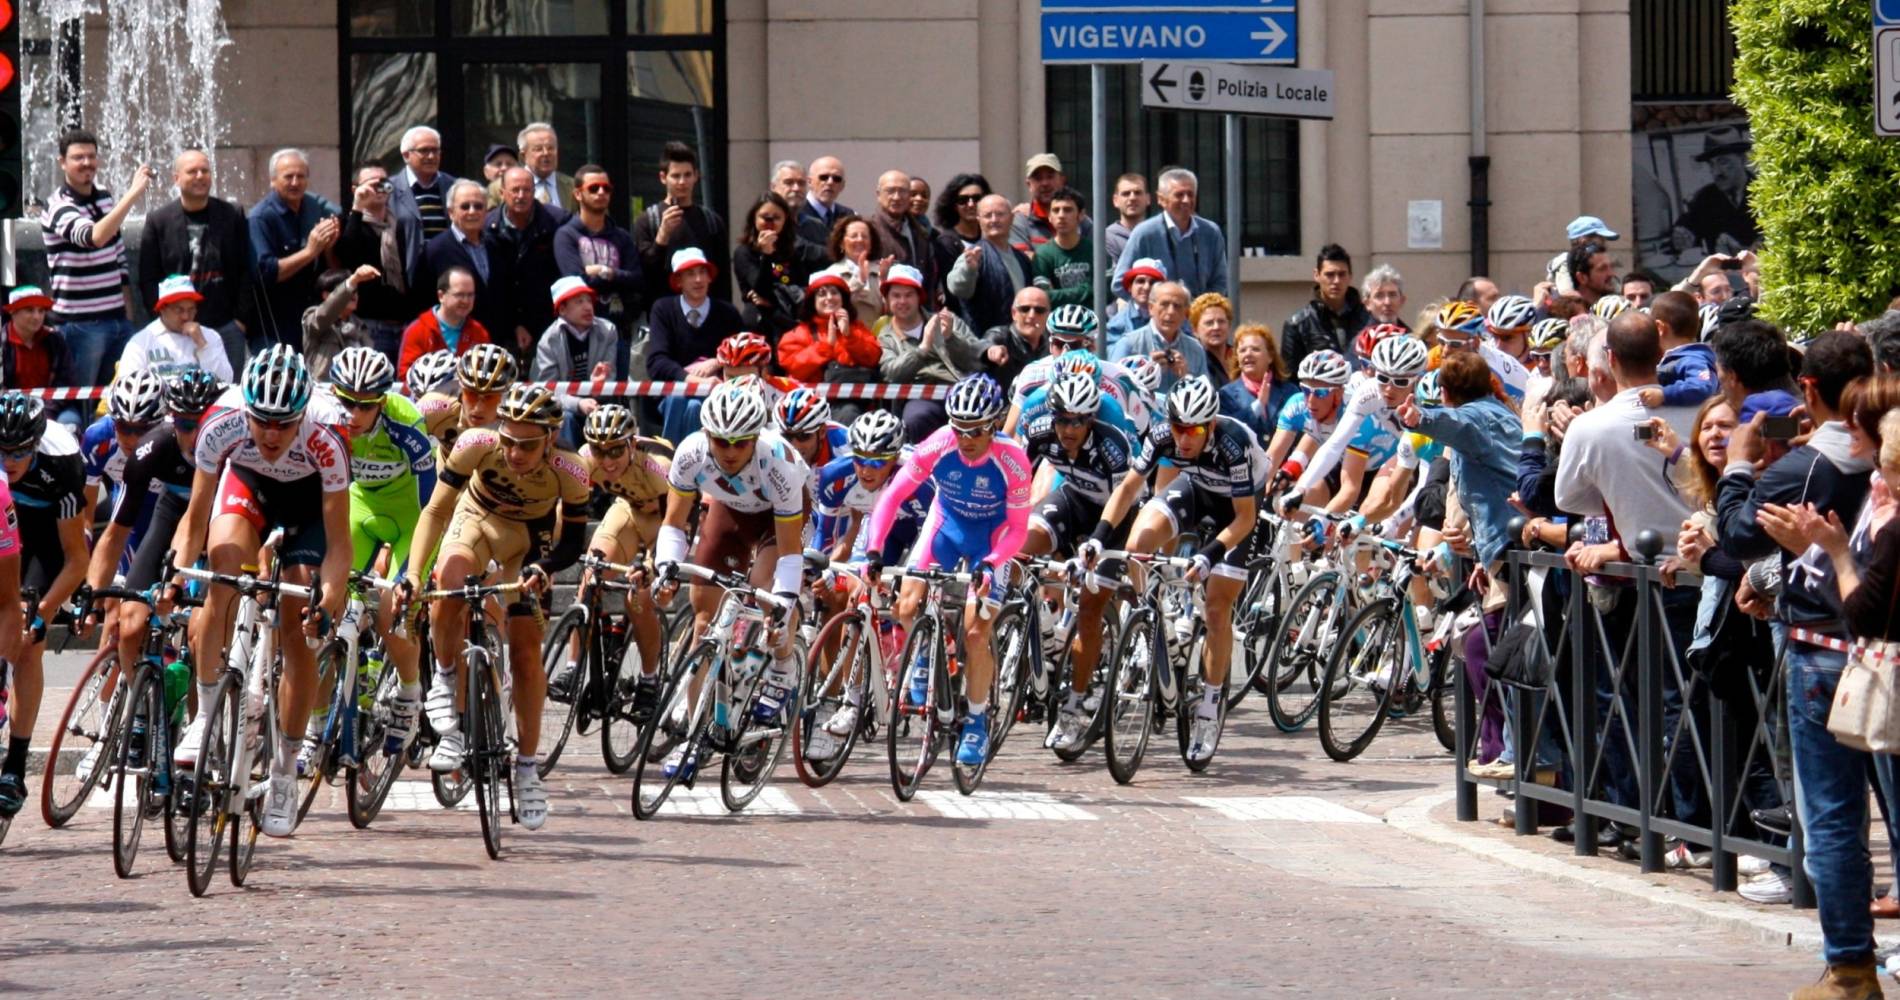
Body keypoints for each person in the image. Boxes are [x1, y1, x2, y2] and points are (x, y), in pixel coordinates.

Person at [1715, 331, 1878, 992]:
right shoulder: (1876, 459)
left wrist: (1738, 465)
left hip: (1829, 649)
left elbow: (1736, 534)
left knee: (1834, 815)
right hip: (1871, 644)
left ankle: (1849, 969)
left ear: (1809, 389)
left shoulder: (1810, 468)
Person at [168, 347, 353, 839]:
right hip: (248, 487)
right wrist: (179, 575)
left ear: (302, 416)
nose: (271, 434)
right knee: (223, 569)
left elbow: (340, 547)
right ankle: (205, 718)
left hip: (309, 506)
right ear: (245, 408)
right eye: (262, 421)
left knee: (298, 625)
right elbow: (194, 519)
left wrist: (327, 604)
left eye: (283, 424)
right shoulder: (221, 423)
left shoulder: (329, 438)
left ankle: (285, 771)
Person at [403, 383, 590, 832]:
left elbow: (572, 545)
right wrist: (413, 573)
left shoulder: (572, 469)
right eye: (508, 439)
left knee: (526, 655)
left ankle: (526, 766)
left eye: (527, 444)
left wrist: (545, 569)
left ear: (551, 436)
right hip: (476, 520)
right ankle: (446, 681)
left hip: (529, 543)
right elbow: (434, 512)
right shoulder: (475, 445)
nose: (515, 452)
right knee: (449, 577)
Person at [1080, 376, 1269, 764]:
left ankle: (1210, 706)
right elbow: (1129, 489)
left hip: (1236, 509)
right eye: (1179, 428)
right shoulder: (1163, 435)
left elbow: (1245, 519)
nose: (1184, 438)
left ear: (1211, 426)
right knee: (1136, 544)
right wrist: (1099, 537)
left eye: (1195, 430)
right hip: (1196, 488)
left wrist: (1211, 553)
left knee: (1217, 608)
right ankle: (1153, 619)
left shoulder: (1232, 445)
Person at [864, 373, 1032, 767]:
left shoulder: (1013, 460)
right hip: (947, 526)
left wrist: (992, 563)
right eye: (959, 428)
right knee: (905, 607)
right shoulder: (938, 443)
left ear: (994, 425)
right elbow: (892, 497)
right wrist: (874, 551)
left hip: (993, 539)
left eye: (975, 430)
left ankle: (976, 720)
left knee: (977, 631)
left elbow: (1020, 528)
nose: (966, 438)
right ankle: (924, 653)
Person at [652, 381, 812, 780]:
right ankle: (693, 732)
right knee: (703, 626)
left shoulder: (779, 464)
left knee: (765, 592)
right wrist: (665, 569)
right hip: (729, 512)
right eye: (720, 441)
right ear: (706, 435)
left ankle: (782, 666)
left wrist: (785, 603)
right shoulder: (690, 453)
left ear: (756, 438)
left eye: (741, 443)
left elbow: (791, 555)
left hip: (778, 518)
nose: (729, 451)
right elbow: (673, 523)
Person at [321, 347, 434, 762]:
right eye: (345, 401)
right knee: (326, 606)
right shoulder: (324, 417)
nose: (352, 413)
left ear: (381, 403)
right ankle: (316, 725)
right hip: (359, 506)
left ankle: (408, 692)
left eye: (363, 406)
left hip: (410, 515)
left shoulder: (407, 424)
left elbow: (431, 504)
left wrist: (417, 569)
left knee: (391, 610)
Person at [80, 369, 220, 691]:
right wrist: (92, 597)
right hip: (169, 515)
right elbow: (114, 533)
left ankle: (200, 724)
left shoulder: (228, 447)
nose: (195, 434)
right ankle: (132, 709)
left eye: (201, 423)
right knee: (129, 626)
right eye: (185, 425)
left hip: (216, 520)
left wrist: (179, 581)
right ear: (172, 421)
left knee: (200, 638)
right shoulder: (152, 447)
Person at [1016, 372, 1132, 751]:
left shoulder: (1112, 445)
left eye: (1078, 421)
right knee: (1019, 546)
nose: (1068, 429)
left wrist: (1097, 542)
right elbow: (1015, 476)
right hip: (1073, 498)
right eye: (1062, 419)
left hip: (1116, 517)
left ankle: (1076, 703)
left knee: (1089, 608)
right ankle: (1038, 626)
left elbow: (1120, 501)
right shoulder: (1038, 429)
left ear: (1091, 420)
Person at [548, 403, 670, 716]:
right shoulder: (586, 459)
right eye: (600, 452)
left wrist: (653, 563)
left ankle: (649, 679)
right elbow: (561, 512)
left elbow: (676, 521)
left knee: (639, 597)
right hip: (627, 510)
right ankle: (572, 669)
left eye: (616, 451)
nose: (608, 460)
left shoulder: (656, 464)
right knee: (591, 574)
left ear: (632, 444)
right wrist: (546, 552)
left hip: (664, 521)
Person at [0, 392, 82, 818]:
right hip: (3, 526)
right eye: (2, 451)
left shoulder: (62, 461)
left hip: (44, 543)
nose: (10, 460)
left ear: (35, 444)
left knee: (28, 641)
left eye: (19, 452)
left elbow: (75, 559)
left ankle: (15, 765)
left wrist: (46, 611)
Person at [42, 128, 151, 388]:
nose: (86, 163)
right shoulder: (57, 205)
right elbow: (94, 237)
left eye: (91, 156)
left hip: (116, 320)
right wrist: (133, 193)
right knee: (82, 400)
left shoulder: (103, 196)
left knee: (119, 399)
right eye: (78, 157)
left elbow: (116, 251)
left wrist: (127, 310)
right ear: (62, 162)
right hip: (79, 325)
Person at [138, 148, 254, 375]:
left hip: (225, 326)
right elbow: (148, 277)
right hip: (176, 328)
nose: (200, 176)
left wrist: (241, 320)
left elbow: (246, 269)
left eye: (205, 171)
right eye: (192, 171)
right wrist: (165, 321)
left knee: (227, 393)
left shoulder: (232, 214)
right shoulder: (158, 220)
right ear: (176, 178)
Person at [875, 264, 984, 440]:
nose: (902, 301)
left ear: (919, 297)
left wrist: (950, 339)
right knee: (916, 418)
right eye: (896, 295)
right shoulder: (885, 335)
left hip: (961, 392)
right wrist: (923, 349)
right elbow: (891, 374)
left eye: (909, 295)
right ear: (887, 299)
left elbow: (975, 359)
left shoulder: (949, 320)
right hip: (919, 397)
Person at [415, 178, 519, 357]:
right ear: (451, 212)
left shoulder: (499, 244)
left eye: (478, 206)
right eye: (465, 206)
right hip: (452, 346)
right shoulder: (435, 250)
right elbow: (421, 300)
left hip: (497, 344)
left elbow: (510, 292)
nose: (472, 212)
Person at [249, 148, 341, 348]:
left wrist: (328, 248)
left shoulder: (317, 209)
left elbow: (331, 271)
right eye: (288, 176)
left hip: (313, 322)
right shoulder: (261, 218)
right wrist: (309, 252)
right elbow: (266, 273)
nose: (295, 182)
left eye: (301, 176)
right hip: (275, 328)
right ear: (273, 180)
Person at [335, 163, 422, 363]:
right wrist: (358, 206)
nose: (380, 189)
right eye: (372, 184)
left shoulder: (396, 225)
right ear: (356, 189)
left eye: (384, 183)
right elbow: (347, 254)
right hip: (368, 323)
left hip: (401, 323)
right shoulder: (349, 223)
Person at [634, 141, 730, 306]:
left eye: (687, 175)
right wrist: (662, 236)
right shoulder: (648, 220)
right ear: (663, 178)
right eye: (676, 176)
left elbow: (722, 277)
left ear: (696, 176)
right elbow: (644, 273)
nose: (682, 182)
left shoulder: (711, 221)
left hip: (707, 312)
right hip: (663, 311)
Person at [486, 166, 567, 359]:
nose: (521, 196)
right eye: (515, 190)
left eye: (527, 190)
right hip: (501, 327)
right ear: (502, 192)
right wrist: (513, 325)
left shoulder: (557, 222)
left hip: (548, 324)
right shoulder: (486, 228)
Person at [533, 276, 622, 449]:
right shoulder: (548, 341)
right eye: (579, 301)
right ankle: (571, 467)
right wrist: (578, 404)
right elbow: (548, 392)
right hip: (566, 406)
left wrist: (597, 386)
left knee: (609, 417)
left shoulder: (608, 331)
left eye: (589, 300)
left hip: (600, 403)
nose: (588, 306)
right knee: (566, 418)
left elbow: (610, 380)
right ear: (563, 309)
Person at [1111, 168, 1226, 299]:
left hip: (1197, 316)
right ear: (1161, 199)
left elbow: (1220, 281)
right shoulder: (1145, 233)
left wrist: (1202, 309)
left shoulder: (1210, 232)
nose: (1186, 200)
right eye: (1179, 195)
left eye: (1190, 194)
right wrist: (1151, 309)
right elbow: (1119, 283)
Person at [553, 165, 642, 329]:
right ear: (578, 194)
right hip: (580, 330)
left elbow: (636, 279)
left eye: (606, 188)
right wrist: (618, 278)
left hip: (618, 327)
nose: (601, 193)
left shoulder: (622, 237)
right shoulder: (566, 235)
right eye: (594, 188)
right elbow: (575, 282)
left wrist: (604, 271)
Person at [732, 192, 827, 341]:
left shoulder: (793, 250)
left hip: (788, 320)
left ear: (785, 221)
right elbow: (761, 290)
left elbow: (801, 286)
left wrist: (776, 297)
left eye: (776, 218)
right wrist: (767, 254)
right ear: (754, 219)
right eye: (765, 217)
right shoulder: (744, 252)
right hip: (759, 323)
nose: (770, 223)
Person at [947, 194, 1034, 336]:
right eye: (988, 215)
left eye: (1000, 214)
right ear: (979, 220)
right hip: (987, 344)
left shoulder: (1022, 259)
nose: (994, 220)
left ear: (1011, 218)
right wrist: (970, 270)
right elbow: (957, 289)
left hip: (1021, 340)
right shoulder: (973, 255)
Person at [119, 275, 234, 381]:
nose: (186, 316)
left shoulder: (210, 336)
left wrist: (203, 345)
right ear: (162, 309)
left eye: (191, 309)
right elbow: (126, 387)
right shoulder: (141, 342)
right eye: (179, 310)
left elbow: (226, 381)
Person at [1280, 244, 1372, 373]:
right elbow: (1291, 380)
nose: (1336, 281)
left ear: (1350, 276)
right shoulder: (1298, 324)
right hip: (1318, 393)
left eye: (1342, 274)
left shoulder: (1369, 319)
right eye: (1330, 274)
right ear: (1317, 275)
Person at [777, 270, 881, 384]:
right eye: (822, 294)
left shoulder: (857, 328)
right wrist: (825, 346)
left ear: (843, 299)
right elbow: (794, 369)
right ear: (813, 302)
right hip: (813, 399)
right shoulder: (797, 334)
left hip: (854, 398)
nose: (829, 298)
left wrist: (850, 336)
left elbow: (873, 359)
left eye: (834, 292)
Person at [1672, 126, 1758, 257]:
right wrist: (1683, 234)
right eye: (1711, 164)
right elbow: (1689, 224)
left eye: (1723, 162)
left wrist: (1747, 251)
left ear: (1742, 159)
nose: (1716, 172)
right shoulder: (1705, 197)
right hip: (1718, 275)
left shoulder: (1766, 193)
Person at [1109, 281, 1206, 393]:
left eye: (1177, 306)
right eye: (1164, 304)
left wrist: (1187, 376)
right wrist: (1145, 371)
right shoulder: (1129, 344)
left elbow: (1206, 398)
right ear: (1151, 308)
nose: (1170, 312)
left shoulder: (1195, 350)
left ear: (1186, 313)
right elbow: (1113, 389)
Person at [398, 267, 492, 377]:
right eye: (459, 295)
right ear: (441, 296)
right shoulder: (417, 330)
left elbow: (487, 376)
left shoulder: (479, 333)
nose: (466, 301)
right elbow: (405, 377)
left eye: (470, 295)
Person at [2, 287, 78, 420]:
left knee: (70, 422)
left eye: (41, 311)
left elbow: (67, 381)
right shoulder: (2, 343)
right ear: (13, 312)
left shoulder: (55, 339)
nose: (37, 316)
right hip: (11, 412)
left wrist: (46, 411)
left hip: (53, 409)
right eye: (29, 310)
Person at [1219, 323, 1297, 440]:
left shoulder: (1290, 392)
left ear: (1270, 357)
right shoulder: (1226, 395)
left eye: (1255, 349)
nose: (1248, 354)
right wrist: (1257, 406)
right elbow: (1228, 432)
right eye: (1242, 350)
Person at [387, 125, 458, 249]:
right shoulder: (390, 190)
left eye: (435, 150)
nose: (431, 156)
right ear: (406, 155)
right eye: (424, 150)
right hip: (407, 266)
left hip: (447, 264)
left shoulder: (454, 187)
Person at [868, 169, 937, 295]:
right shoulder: (869, 230)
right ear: (878, 194)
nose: (897, 197)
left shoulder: (920, 232)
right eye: (890, 191)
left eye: (903, 191)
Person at [979, 285, 1054, 392]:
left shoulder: (1053, 344)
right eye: (1025, 309)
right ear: (1014, 313)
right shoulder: (1000, 337)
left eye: (1039, 310)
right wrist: (991, 350)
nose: (1032, 315)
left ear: (1048, 315)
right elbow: (983, 345)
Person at [1011, 153, 1090, 252]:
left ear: (1062, 180)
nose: (1045, 183)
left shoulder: (1081, 220)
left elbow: (1097, 255)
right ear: (1029, 185)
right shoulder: (1020, 221)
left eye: (1050, 176)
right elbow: (1022, 259)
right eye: (1038, 178)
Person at [931, 173, 990, 302]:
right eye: (963, 200)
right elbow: (951, 291)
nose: (970, 204)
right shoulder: (946, 243)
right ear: (954, 205)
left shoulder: (991, 236)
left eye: (977, 198)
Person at [1033, 187, 1093, 310]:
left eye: (1067, 210)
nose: (1061, 215)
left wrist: (1057, 294)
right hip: (1056, 324)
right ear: (1049, 217)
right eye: (1056, 210)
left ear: (1081, 215)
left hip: (1092, 322)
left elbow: (1106, 293)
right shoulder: (1042, 255)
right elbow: (1044, 297)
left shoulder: (1095, 251)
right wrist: (1088, 290)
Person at [503, 123, 576, 215]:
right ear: (523, 156)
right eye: (538, 149)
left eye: (551, 148)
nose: (546, 153)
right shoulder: (501, 187)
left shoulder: (573, 186)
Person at [1543, 215, 1619, 298]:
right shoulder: (1563, 262)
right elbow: (1568, 296)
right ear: (1583, 241)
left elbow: (1617, 291)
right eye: (1601, 240)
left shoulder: (1603, 261)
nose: (1604, 244)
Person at [1106, 257, 1165, 350]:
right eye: (1141, 281)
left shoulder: (1174, 318)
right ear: (1130, 287)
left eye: (1152, 282)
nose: (1146, 287)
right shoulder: (1116, 325)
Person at [798, 155, 853, 246]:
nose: (830, 182)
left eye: (836, 179)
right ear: (809, 182)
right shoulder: (796, 213)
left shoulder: (847, 216)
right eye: (823, 177)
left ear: (842, 186)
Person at [1189, 292, 1237, 387]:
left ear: (1229, 325)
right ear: (1195, 330)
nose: (1216, 327)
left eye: (1221, 321)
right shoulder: (1195, 362)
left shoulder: (1239, 357)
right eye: (1209, 323)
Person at [1104, 172, 1150, 266]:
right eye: (1126, 194)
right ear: (1115, 200)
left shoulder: (1160, 233)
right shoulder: (1106, 238)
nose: (1132, 198)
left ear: (1148, 199)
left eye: (1138, 193)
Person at [1362, 264, 1408, 330]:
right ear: (1367, 304)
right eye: (1379, 296)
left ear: (1402, 301)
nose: (1387, 302)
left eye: (1392, 295)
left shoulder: (1413, 339)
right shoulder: (1360, 340)